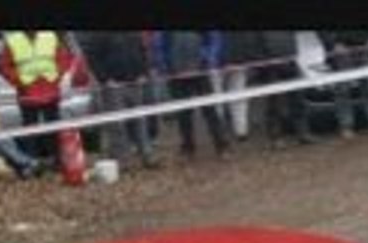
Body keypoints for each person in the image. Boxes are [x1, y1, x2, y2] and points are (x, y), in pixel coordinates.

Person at [79, 32, 159, 172]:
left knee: (140, 121)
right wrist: (105, 79)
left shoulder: (133, 33)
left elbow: (142, 51)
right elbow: (92, 58)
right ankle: (123, 161)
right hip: (113, 86)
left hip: (135, 82)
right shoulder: (98, 35)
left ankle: (148, 156)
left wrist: (143, 73)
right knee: (117, 126)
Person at [0, 30, 75, 162]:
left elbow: (64, 58)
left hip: (49, 91)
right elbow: (4, 66)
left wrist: (56, 76)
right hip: (27, 93)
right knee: (29, 131)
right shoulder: (13, 40)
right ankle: (31, 162)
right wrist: (19, 80)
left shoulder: (50, 36)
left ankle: (57, 161)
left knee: (53, 129)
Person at [153, 31, 230, 159]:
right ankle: (188, 147)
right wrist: (166, 68)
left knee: (210, 110)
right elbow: (159, 46)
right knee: (183, 113)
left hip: (200, 71)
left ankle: (222, 145)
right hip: (176, 74)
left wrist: (207, 59)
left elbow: (214, 39)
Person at [318, 31, 368, 139]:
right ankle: (346, 127)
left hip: (364, 49)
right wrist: (332, 44)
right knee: (342, 91)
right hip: (339, 54)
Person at [256, 31, 315, 148]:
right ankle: (276, 138)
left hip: (290, 60)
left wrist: (294, 54)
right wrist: (264, 61)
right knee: (274, 103)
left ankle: (303, 134)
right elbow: (255, 44)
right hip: (270, 66)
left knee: (298, 99)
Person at [216, 31, 267, 141]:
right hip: (238, 59)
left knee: (217, 98)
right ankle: (241, 131)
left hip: (218, 61)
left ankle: (220, 132)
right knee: (238, 97)